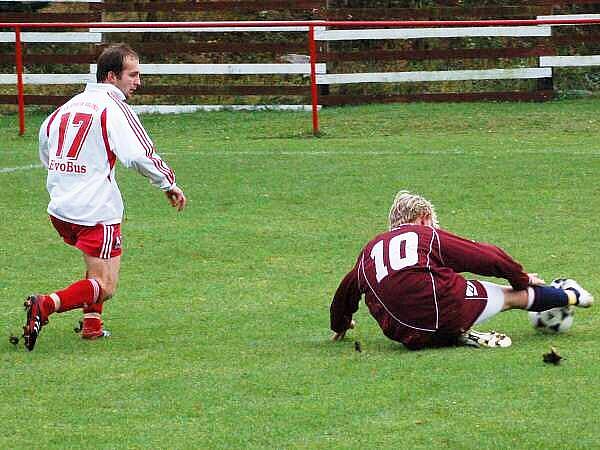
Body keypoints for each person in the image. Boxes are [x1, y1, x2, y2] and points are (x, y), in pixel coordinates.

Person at [22, 44, 187, 351]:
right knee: (106, 286)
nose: (137, 82)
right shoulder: (114, 107)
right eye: (132, 75)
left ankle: (92, 327)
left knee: (97, 268)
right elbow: (138, 154)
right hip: (96, 209)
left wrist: (64, 178)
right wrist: (168, 183)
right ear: (112, 77)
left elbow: (45, 143)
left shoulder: (67, 106)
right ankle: (45, 305)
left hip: (60, 208)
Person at [330, 190, 593, 350]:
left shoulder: (369, 252)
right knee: (509, 296)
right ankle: (572, 295)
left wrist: (341, 322)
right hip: (443, 310)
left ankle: (450, 335)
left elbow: (346, 290)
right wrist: (521, 278)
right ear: (423, 218)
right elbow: (487, 256)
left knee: (442, 291)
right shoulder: (426, 235)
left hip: (403, 333)